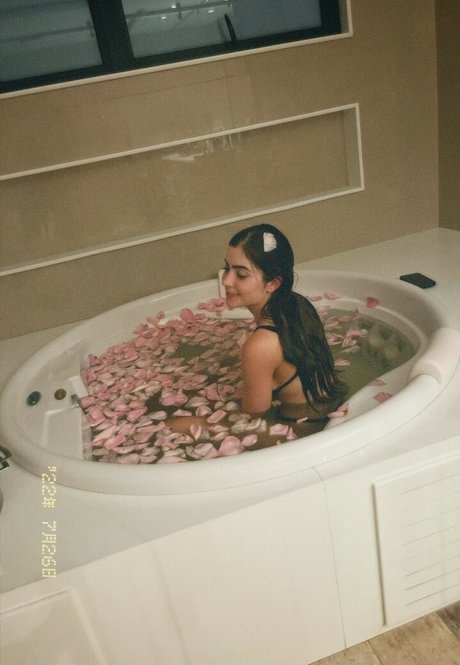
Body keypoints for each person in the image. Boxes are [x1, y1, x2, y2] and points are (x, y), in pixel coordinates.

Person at [221, 223, 346, 428]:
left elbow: (251, 421)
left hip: (301, 428)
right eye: (227, 268)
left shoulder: (260, 346)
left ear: (273, 283)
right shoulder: (297, 304)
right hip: (329, 412)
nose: (226, 280)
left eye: (241, 274)